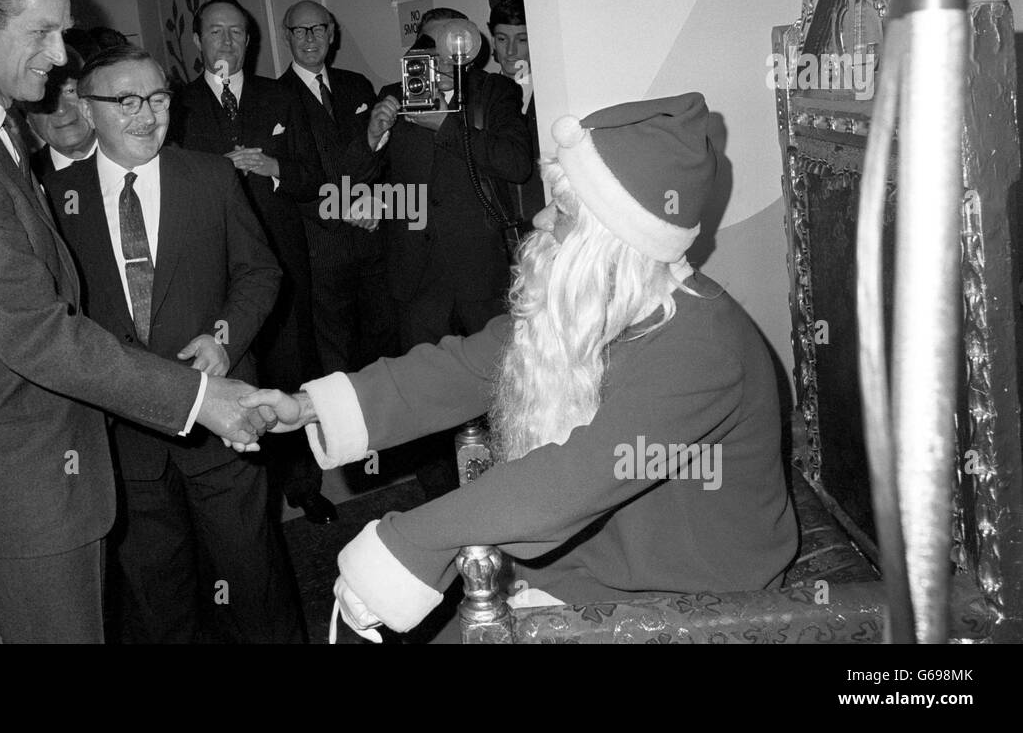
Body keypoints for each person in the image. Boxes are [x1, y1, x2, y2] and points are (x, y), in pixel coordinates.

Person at [245, 93, 797, 641]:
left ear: (609, 241)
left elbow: (573, 478)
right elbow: (464, 367)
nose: (538, 216)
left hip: (689, 592)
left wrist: (408, 544)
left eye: (561, 210)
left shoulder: (700, 347)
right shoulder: (599, 303)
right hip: (599, 560)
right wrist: (310, 405)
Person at [0, 0, 272, 643]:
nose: (60, 56)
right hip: (22, 485)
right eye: (42, 33)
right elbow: (39, 333)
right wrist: (201, 398)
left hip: (39, 474)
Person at [44, 44, 305, 642]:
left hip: (222, 422)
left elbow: (260, 273)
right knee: (157, 600)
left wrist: (224, 337)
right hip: (125, 435)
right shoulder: (57, 200)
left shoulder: (209, 175)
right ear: (87, 110)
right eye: (127, 101)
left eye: (158, 99)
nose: (147, 115)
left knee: (254, 581)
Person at [375, 7, 534, 499]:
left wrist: (444, 124)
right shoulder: (395, 95)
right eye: (432, 54)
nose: (442, 67)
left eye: (453, 57)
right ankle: (444, 500)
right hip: (416, 274)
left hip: (479, 268)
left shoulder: (495, 93)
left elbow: (515, 163)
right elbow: (362, 172)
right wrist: (372, 138)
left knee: (499, 386)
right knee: (424, 394)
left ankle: (508, 490)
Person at [273, 0, 398, 522]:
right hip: (320, 249)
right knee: (331, 362)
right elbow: (291, 180)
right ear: (287, 37)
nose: (309, 38)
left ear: (333, 32)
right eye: (298, 30)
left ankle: (380, 454)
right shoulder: (275, 99)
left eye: (318, 28)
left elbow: (381, 160)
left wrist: (379, 202)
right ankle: (335, 465)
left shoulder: (356, 87)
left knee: (379, 347)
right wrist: (348, 207)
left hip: (371, 244)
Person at [168, 0, 324, 406]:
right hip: (212, 269)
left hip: (283, 264)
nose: (226, 41)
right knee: (232, 384)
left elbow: (314, 179)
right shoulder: (174, 106)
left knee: (291, 380)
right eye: (216, 32)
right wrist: (216, 173)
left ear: (249, 41)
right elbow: (167, 189)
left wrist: (275, 167)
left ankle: (301, 468)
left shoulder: (281, 97)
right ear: (198, 41)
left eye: (236, 32)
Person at [487, 0, 545, 231]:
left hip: (549, 225)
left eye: (521, 40)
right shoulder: (480, 96)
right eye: (502, 39)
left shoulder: (556, 92)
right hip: (499, 232)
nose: (510, 50)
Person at [22, 44, 97, 181]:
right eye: (45, 97)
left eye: (70, 91)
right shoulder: (23, 180)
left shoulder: (134, 158)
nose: (61, 109)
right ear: (28, 117)